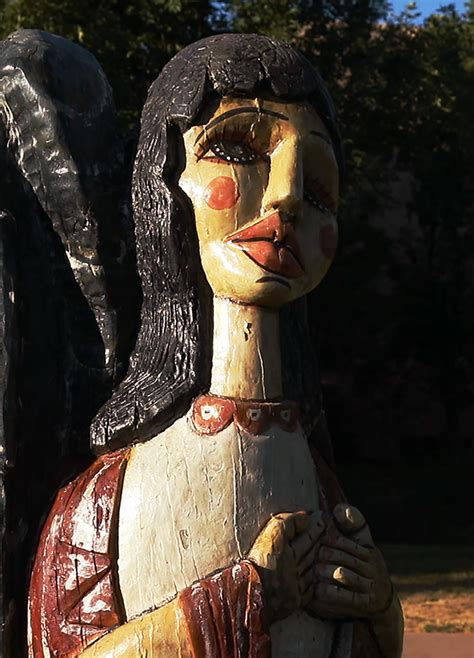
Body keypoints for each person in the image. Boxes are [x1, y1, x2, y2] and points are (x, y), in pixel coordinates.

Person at [28, 33, 403, 658]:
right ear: (165, 185)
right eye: (237, 149)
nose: (285, 195)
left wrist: (378, 606)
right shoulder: (110, 493)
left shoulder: (320, 482)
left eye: (318, 188)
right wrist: (243, 599)